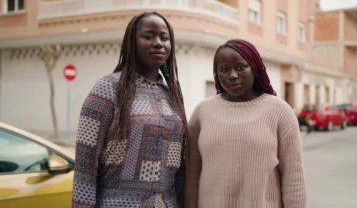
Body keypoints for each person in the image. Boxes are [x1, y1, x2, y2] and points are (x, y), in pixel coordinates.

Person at [72, 12, 187, 208]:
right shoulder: (108, 88)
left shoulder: (173, 94)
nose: (158, 43)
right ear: (131, 43)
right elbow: (85, 165)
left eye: (164, 37)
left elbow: (179, 170)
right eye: (148, 36)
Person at [185, 39, 306, 208]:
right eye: (224, 69)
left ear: (255, 68)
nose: (232, 75)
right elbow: (191, 175)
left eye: (240, 67)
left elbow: (293, 177)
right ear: (216, 73)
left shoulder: (280, 111)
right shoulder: (202, 112)